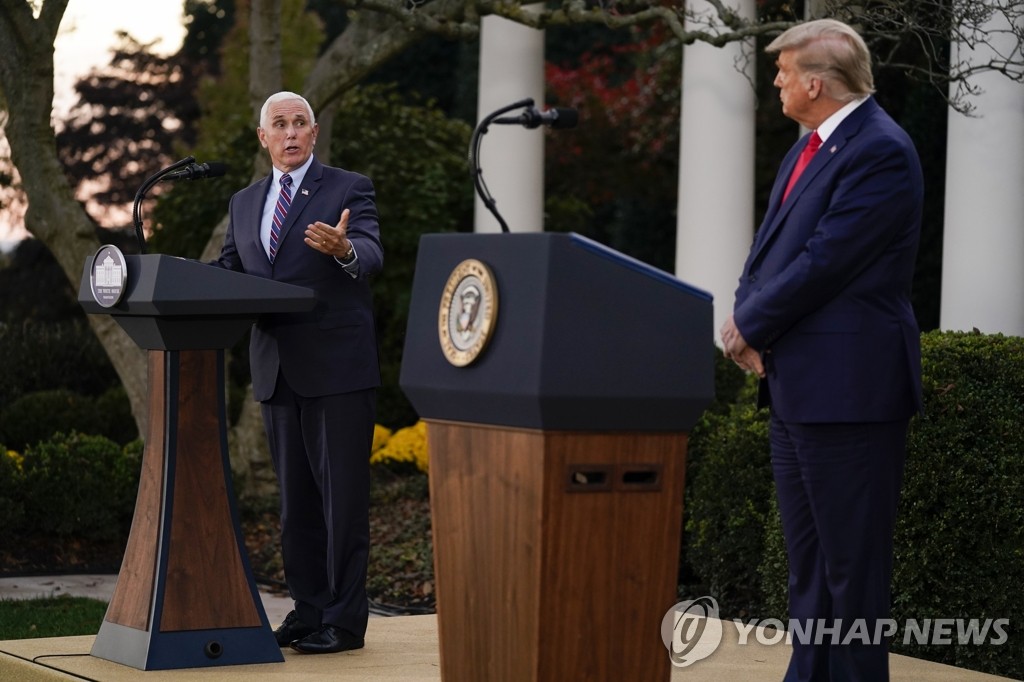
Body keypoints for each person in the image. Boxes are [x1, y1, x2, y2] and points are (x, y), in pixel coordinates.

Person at [720, 19, 923, 682]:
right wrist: (751, 319)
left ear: (815, 81)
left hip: (851, 391)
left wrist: (749, 325)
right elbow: (772, 253)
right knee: (809, 567)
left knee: (851, 569)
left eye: (782, 70)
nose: (775, 80)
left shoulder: (881, 151)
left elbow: (826, 261)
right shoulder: (808, 146)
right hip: (799, 385)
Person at [212, 91, 383, 654]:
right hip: (277, 370)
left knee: (341, 501)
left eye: (299, 123)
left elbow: (369, 251)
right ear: (262, 137)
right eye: (278, 125)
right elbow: (231, 274)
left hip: (337, 368)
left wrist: (343, 250)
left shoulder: (346, 187)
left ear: (314, 133)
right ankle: (307, 610)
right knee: (297, 506)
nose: (289, 133)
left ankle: (345, 621)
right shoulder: (243, 203)